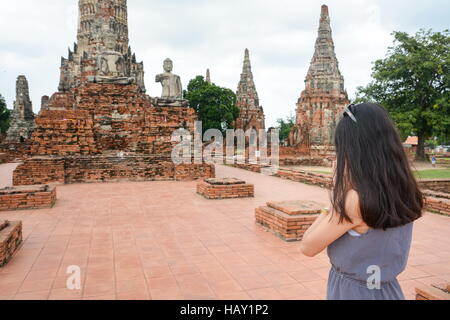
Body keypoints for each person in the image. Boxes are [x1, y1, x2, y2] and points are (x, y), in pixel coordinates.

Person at [300, 103, 423, 300]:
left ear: (354, 150)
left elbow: (307, 246)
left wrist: (336, 197)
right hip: (388, 290)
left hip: (354, 292)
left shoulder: (355, 200)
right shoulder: (406, 188)